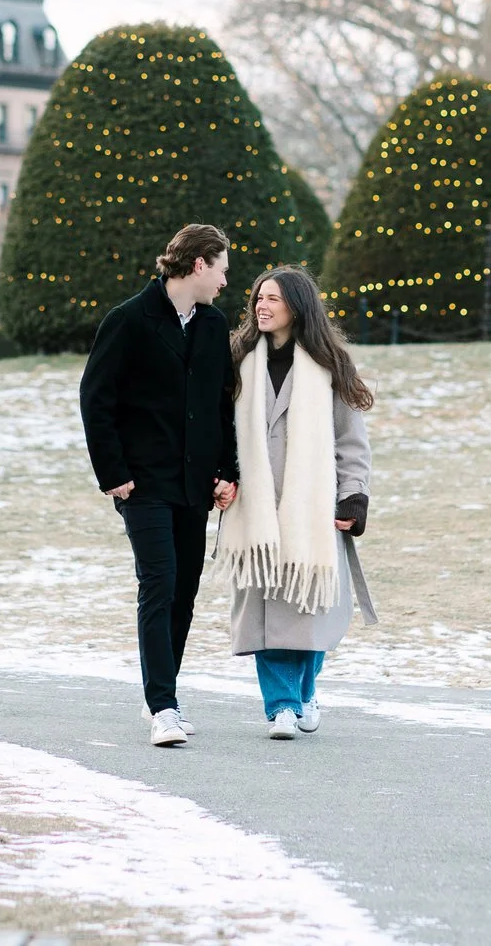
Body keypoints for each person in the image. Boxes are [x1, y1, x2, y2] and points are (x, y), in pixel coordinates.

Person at [79, 223, 241, 747]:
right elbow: (95, 400)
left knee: (185, 592)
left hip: (194, 485)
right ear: (198, 264)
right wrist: (115, 476)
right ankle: (162, 707)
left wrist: (227, 470)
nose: (224, 279)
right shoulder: (127, 320)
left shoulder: (214, 326)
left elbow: (222, 405)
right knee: (160, 582)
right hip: (142, 484)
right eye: (220, 267)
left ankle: (167, 694)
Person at [216, 264, 373, 738]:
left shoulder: (329, 367)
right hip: (254, 510)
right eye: (258, 298)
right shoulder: (237, 360)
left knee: (309, 610)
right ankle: (281, 705)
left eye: (274, 299)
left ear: (297, 307)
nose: (262, 306)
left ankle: (304, 693)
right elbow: (217, 429)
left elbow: (351, 442)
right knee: (268, 610)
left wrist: (354, 498)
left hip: (312, 510)